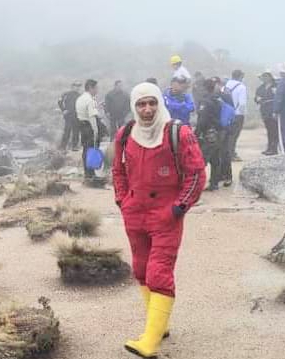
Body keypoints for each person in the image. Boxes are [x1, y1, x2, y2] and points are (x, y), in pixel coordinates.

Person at [112, 82, 206, 359]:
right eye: (141, 104)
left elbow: (197, 173)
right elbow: (117, 170)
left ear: (160, 103)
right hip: (135, 212)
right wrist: (122, 201)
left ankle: (150, 342)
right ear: (134, 106)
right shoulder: (125, 134)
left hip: (166, 214)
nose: (147, 109)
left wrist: (178, 208)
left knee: (158, 273)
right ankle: (160, 325)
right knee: (141, 269)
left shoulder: (178, 132)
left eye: (152, 102)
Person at [195, 77, 224, 190]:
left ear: (204, 87)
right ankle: (214, 183)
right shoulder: (217, 99)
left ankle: (197, 184)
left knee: (201, 160)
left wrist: (196, 133)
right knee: (215, 159)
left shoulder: (205, 101)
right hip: (218, 132)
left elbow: (202, 120)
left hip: (208, 133)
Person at [76, 79, 100, 179]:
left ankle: (87, 173)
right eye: (96, 88)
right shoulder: (90, 100)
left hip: (82, 125)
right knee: (92, 149)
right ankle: (91, 174)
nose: (97, 90)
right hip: (89, 126)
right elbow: (92, 116)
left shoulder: (80, 98)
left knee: (85, 149)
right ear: (90, 87)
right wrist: (96, 130)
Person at [224, 69, 248, 162]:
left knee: (227, 135)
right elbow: (242, 103)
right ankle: (231, 154)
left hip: (226, 114)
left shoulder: (226, 85)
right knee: (234, 135)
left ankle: (226, 153)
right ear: (240, 76)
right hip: (237, 114)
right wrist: (242, 114)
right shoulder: (241, 87)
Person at [254, 71, 278, 155]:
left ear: (270, 77)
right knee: (269, 130)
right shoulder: (260, 88)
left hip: (273, 110)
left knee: (274, 130)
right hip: (264, 111)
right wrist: (257, 99)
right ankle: (269, 147)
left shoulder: (276, 86)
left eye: (266, 76)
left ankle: (274, 148)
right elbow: (256, 97)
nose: (264, 78)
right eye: (263, 77)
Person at [58, 82, 82, 151]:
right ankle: (62, 147)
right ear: (72, 87)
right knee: (67, 131)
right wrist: (63, 110)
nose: (77, 87)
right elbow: (59, 102)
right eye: (76, 86)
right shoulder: (66, 94)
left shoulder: (80, 96)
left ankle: (74, 146)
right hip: (68, 116)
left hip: (77, 116)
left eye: (78, 86)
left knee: (76, 132)